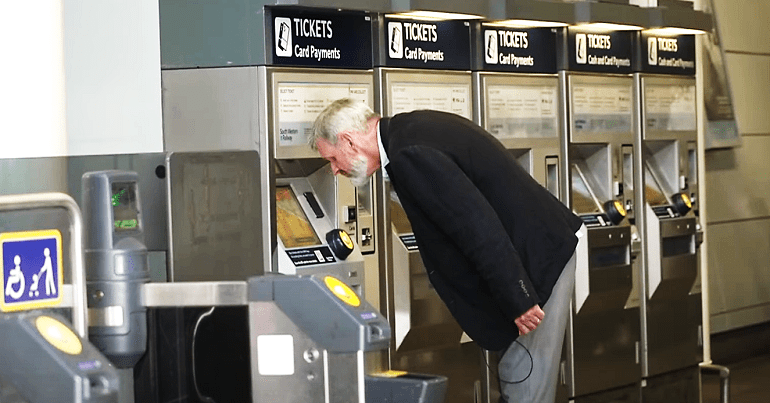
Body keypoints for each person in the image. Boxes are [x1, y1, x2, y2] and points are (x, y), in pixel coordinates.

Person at [311, 98, 584, 403]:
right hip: (535, 253)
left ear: (349, 141)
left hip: (536, 266)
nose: (335, 170)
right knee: (523, 376)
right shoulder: (410, 130)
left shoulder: (410, 154)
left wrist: (519, 298)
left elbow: (478, 229)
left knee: (527, 385)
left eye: (333, 159)